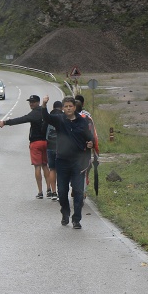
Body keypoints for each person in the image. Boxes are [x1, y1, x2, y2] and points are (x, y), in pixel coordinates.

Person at [41, 95, 94, 229]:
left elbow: (90, 138)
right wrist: (44, 105)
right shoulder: (59, 120)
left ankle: (76, 219)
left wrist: (90, 144)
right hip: (62, 161)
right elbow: (46, 117)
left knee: (78, 191)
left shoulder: (82, 122)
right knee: (62, 192)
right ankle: (65, 213)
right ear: (63, 108)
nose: (68, 108)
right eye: (66, 106)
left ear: (74, 107)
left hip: (78, 162)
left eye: (71, 106)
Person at [0, 94, 50, 199]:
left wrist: (5, 122)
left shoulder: (33, 114)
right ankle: (49, 190)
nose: (31, 104)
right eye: (30, 102)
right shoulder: (45, 112)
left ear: (38, 102)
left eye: (33, 102)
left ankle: (40, 192)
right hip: (46, 142)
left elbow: (20, 120)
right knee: (45, 166)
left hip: (35, 143)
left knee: (37, 167)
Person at [45, 100, 62, 201]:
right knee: (61, 171)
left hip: (50, 146)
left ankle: (54, 192)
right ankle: (61, 192)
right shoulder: (63, 117)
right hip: (60, 147)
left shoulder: (49, 117)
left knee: (52, 169)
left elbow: (44, 130)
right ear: (62, 107)